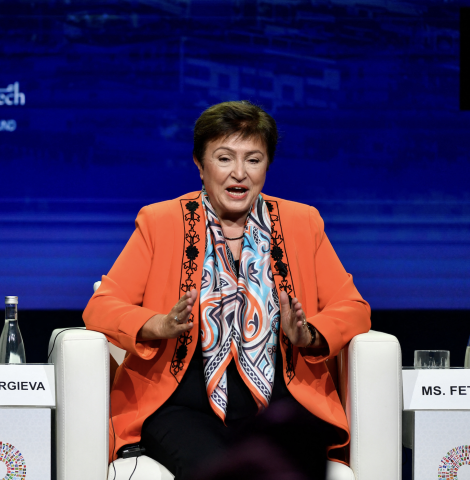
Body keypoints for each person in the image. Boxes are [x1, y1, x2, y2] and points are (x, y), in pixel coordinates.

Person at [83, 101, 371, 480]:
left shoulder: (303, 223)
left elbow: (352, 307)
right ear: (200, 165)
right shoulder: (160, 222)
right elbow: (102, 306)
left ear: (267, 166)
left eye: (253, 159)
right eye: (224, 158)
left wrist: (309, 334)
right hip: (181, 404)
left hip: (283, 401)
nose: (239, 173)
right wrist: (158, 325)